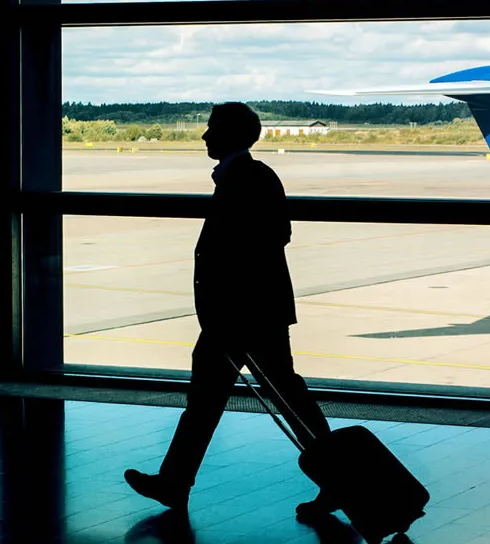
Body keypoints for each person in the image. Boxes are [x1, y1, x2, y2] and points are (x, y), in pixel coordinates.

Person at [124, 102, 334, 517]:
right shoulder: (250, 176)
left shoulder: (245, 179)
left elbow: (255, 244)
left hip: (241, 317)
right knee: (271, 398)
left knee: (252, 399)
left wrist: (227, 302)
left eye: (211, 128)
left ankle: (344, 480)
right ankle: (174, 482)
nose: (204, 136)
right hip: (246, 314)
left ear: (229, 135)